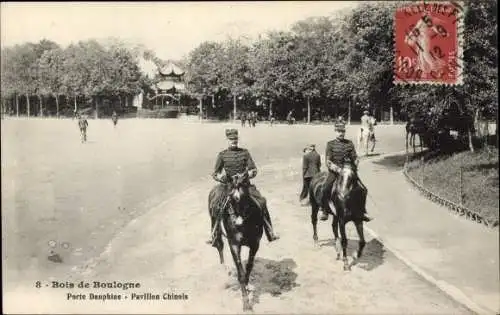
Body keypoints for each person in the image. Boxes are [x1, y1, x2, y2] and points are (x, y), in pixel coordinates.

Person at [207, 128, 280, 245]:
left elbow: (253, 169)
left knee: (261, 202)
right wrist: (222, 178)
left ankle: (270, 232)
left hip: (245, 185)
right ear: (227, 140)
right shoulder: (222, 155)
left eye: (235, 139)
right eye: (231, 139)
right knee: (216, 204)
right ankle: (214, 234)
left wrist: (247, 175)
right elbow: (215, 173)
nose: (233, 141)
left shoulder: (244, 153)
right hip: (228, 187)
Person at [321, 121, 372, 222]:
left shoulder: (349, 143)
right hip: (336, 172)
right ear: (335, 131)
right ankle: (325, 211)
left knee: (363, 189)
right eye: (339, 131)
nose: (341, 133)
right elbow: (328, 161)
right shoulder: (330, 144)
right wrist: (339, 170)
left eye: (342, 131)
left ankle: (362, 211)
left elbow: (355, 157)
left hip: (349, 171)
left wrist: (356, 162)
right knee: (325, 188)